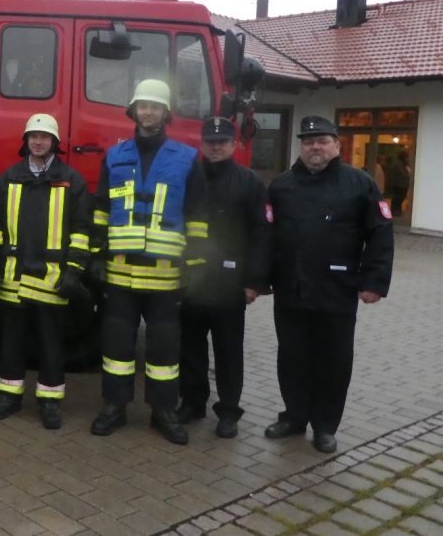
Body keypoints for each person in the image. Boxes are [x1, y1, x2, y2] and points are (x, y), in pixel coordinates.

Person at [89, 79, 208, 445]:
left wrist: (196, 263)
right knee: (118, 347)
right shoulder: (114, 156)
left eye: (155, 107)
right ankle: (115, 405)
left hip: (165, 276)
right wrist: (95, 255)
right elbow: (100, 210)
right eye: (143, 106)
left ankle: (163, 410)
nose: (149, 112)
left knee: (163, 350)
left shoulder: (187, 158)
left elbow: (198, 216)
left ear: (165, 113)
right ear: (134, 111)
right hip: (121, 274)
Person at [265, 115, 393, 453]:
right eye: (308, 142)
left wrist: (374, 281)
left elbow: (380, 232)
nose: (315, 147)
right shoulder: (281, 186)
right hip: (291, 291)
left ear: (337, 145)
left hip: (336, 292)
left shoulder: (359, 184)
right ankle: (294, 417)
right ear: (301, 148)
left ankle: (324, 426)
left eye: (322, 140)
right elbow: (266, 237)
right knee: (291, 359)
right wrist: (260, 279)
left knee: (333, 362)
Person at [0, 113, 90, 429]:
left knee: (51, 344)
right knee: (11, 342)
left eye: (44, 137)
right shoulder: (9, 178)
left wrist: (74, 272)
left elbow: (82, 230)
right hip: (13, 277)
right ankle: (9, 397)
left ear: (54, 142)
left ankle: (50, 403)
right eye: (33, 137)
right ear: (25, 142)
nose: (38, 142)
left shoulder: (71, 180)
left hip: (53, 280)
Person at [176, 117, 271, 438]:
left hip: (230, 281)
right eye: (210, 141)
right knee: (190, 346)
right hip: (192, 277)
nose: (215, 146)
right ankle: (192, 402)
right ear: (201, 144)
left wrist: (255, 281)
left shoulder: (250, 182)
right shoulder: (189, 176)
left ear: (235, 145)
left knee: (229, 351)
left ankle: (228, 411)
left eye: (222, 141)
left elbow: (261, 234)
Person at [386, 150, 411, 217]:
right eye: (407, 157)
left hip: (402, 185)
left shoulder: (404, 164)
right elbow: (403, 174)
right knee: (397, 199)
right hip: (399, 185)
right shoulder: (399, 164)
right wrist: (410, 176)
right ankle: (395, 212)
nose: (408, 158)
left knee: (399, 199)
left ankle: (397, 211)